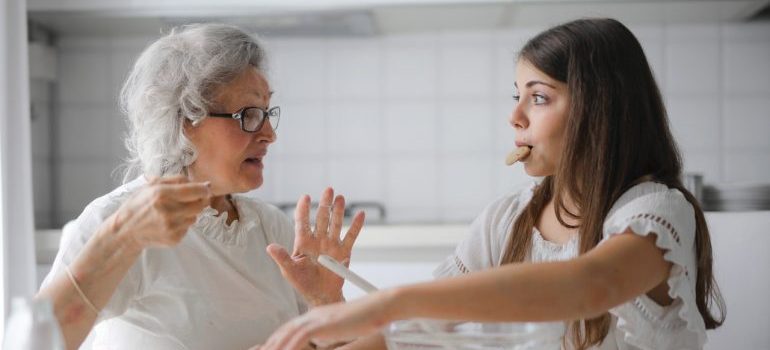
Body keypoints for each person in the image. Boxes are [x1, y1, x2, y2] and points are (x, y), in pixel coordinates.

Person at [260, 18, 726, 350]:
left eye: (539, 97)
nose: (515, 115)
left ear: (600, 111)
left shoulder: (656, 213)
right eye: (516, 95)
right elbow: (421, 332)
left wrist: (390, 301)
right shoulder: (508, 218)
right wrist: (326, 308)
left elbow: (591, 285)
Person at [37, 23, 364, 350]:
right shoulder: (118, 221)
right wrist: (120, 237)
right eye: (249, 114)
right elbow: (37, 342)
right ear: (185, 120)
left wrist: (326, 300)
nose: (269, 133)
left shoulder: (273, 230)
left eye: (267, 113)